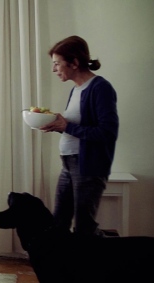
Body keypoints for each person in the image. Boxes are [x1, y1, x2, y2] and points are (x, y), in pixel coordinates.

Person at [41, 36, 119, 237]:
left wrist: (67, 126)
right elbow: (77, 128)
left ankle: (94, 265)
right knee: (58, 222)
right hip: (68, 163)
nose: (54, 69)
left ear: (74, 62)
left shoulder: (100, 88)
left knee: (84, 227)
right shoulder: (76, 90)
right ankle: (62, 268)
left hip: (88, 166)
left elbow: (107, 132)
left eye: (57, 63)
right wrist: (59, 126)